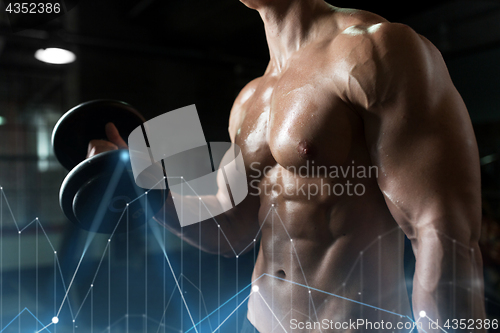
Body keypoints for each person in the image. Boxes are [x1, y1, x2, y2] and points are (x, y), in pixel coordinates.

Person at [88, 1, 486, 332]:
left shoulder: (376, 50)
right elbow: (233, 228)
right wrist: (142, 189)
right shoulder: (249, 98)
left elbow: (442, 231)